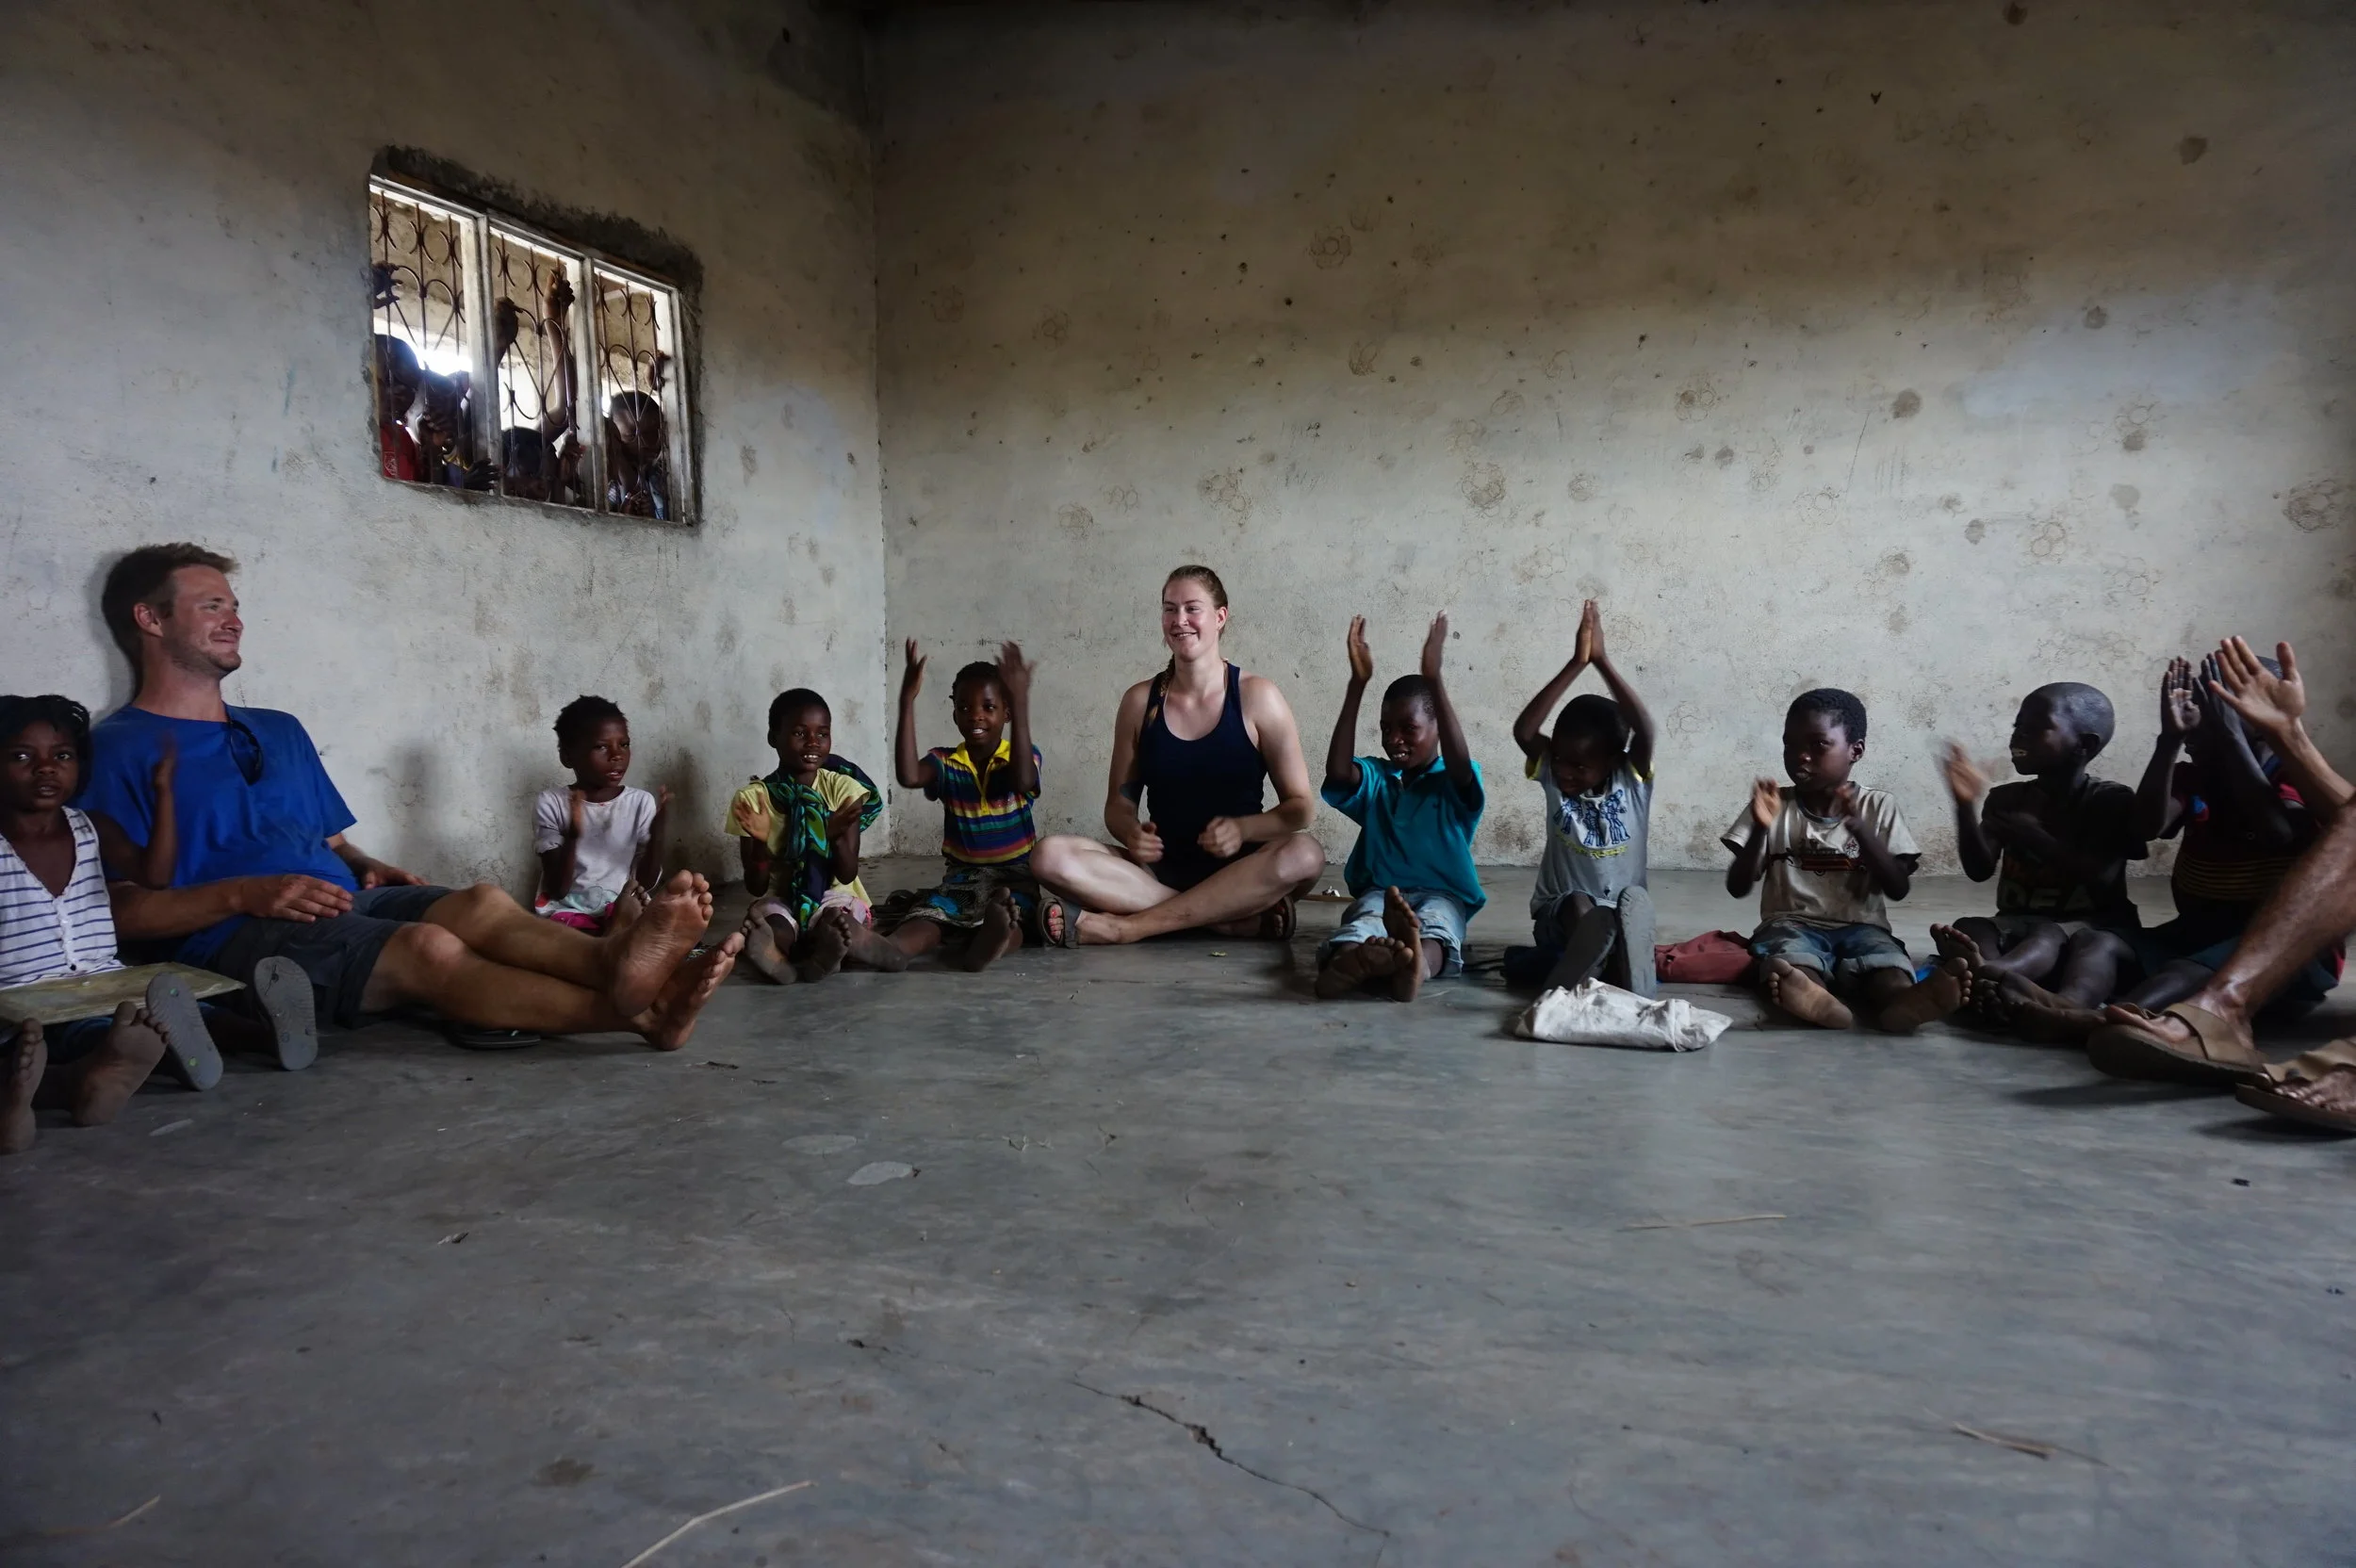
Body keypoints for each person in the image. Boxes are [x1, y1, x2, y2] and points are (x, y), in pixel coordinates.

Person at [81, 545, 738, 1054]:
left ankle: (615, 965)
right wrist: (242, 894)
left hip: (340, 898)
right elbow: (116, 912)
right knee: (429, 948)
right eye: (212, 607)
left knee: (478, 900)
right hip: (235, 934)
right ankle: (637, 1010)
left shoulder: (279, 729)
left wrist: (369, 864)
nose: (235, 620)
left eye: (234, 605)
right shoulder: (117, 748)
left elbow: (331, 842)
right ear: (150, 618)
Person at [2087, 638, 2351, 1085]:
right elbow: (2146, 827)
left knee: (2183, 972)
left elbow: (2277, 830)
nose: (2196, 724)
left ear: (2252, 725)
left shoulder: (2285, 778)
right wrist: (2169, 742)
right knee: (2100, 943)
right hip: (2197, 933)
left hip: (2278, 954)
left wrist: (2232, 733)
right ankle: (2079, 1008)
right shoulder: (2195, 776)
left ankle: (2104, 1022)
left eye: (2216, 713)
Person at [1030, 565, 1326, 946]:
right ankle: (1226, 921)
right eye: (1170, 609)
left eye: (1192, 608)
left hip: (1244, 872)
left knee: (1306, 854)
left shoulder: (1258, 696)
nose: (1179, 620)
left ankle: (1128, 927)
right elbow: (1118, 808)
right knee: (1048, 856)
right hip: (1156, 873)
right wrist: (1132, 835)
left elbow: (1300, 808)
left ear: (1220, 617)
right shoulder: (1140, 702)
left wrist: (1243, 830)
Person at [1723, 688, 1965, 1032]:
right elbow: (1737, 886)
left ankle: (1904, 1002)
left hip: (1863, 927)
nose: (1800, 757)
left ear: (1856, 751)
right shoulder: (1773, 805)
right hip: (1791, 924)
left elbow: (1897, 888)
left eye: (1818, 745)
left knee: (1887, 970)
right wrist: (1761, 828)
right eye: (1790, 745)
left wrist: (1860, 830)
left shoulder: (1878, 808)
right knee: (1793, 964)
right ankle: (1817, 1000)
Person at [1929, 683, 2148, 1040]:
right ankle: (1991, 979)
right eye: (2018, 725)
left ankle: (2021, 989)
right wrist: (1965, 805)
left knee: (2052, 937)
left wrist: (2038, 840)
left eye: (2036, 727)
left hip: (2093, 926)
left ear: (2085, 745)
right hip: (2018, 922)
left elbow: (2103, 879)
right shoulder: (2006, 798)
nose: (2019, 735)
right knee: (1971, 924)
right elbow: (1979, 869)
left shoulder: (2109, 800)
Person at [1314, 614, 1484, 1002]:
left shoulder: (1454, 780)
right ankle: (1348, 963)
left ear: (1438, 725)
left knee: (1439, 928)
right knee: (1363, 920)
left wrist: (1436, 680)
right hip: (1383, 891)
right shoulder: (1378, 776)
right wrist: (1357, 685)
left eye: (1409, 728)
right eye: (1386, 728)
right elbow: (1339, 772)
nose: (1395, 739)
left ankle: (1415, 968)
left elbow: (1459, 763)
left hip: (1443, 892)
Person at [1509, 598, 1659, 996]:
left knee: (1628, 909)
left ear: (1613, 760)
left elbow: (1644, 731)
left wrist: (1604, 661)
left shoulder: (1633, 779)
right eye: (1558, 758)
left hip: (1620, 914)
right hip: (1559, 917)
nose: (1564, 771)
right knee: (1579, 904)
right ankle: (1595, 972)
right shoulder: (1554, 780)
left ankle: (1613, 969)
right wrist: (1577, 662)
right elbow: (1525, 731)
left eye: (1579, 766)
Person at [875, 640, 1041, 972]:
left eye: (989, 707)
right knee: (932, 914)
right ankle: (891, 949)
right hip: (962, 878)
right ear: (954, 713)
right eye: (964, 708)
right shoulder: (944, 762)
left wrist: (1021, 703)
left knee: (1016, 918)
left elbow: (1023, 781)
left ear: (1006, 713)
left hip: (1016, 877)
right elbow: (909, 776)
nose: (975, 715)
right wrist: (906, 700)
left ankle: (990, 944)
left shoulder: (1022, 757)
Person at [728, 689, 898, 983]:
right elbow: (756, 886)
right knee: (773, 924)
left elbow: (846, 874)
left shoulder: (844, 790)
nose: (812, 743)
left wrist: (831, 834)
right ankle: (782, 956)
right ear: (773, 738)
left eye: (822, 734)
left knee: (837, 920)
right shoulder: (753, 799)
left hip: (835, 895)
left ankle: (833, 948)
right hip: (783, 898)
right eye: (798, 732)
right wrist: (759, 842)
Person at [533, 695, 668, 934]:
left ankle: (613, 940)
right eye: (601, 746)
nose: (617, 755)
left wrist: (657, 838)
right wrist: (573, 836)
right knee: (565, 936)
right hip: (567, 915)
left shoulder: (640, 802)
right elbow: (557, 890)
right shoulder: (552, 803)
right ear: (568, 757)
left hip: (619, 909)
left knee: (647, 915)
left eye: (624, 744)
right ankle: (612, 944)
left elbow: (644, 884)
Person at [606, 391, 672, 519]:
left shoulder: (664, 473)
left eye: (653, 432)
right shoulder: (608, 482)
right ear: (614, 436)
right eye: (632, 435)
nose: (646, 443)